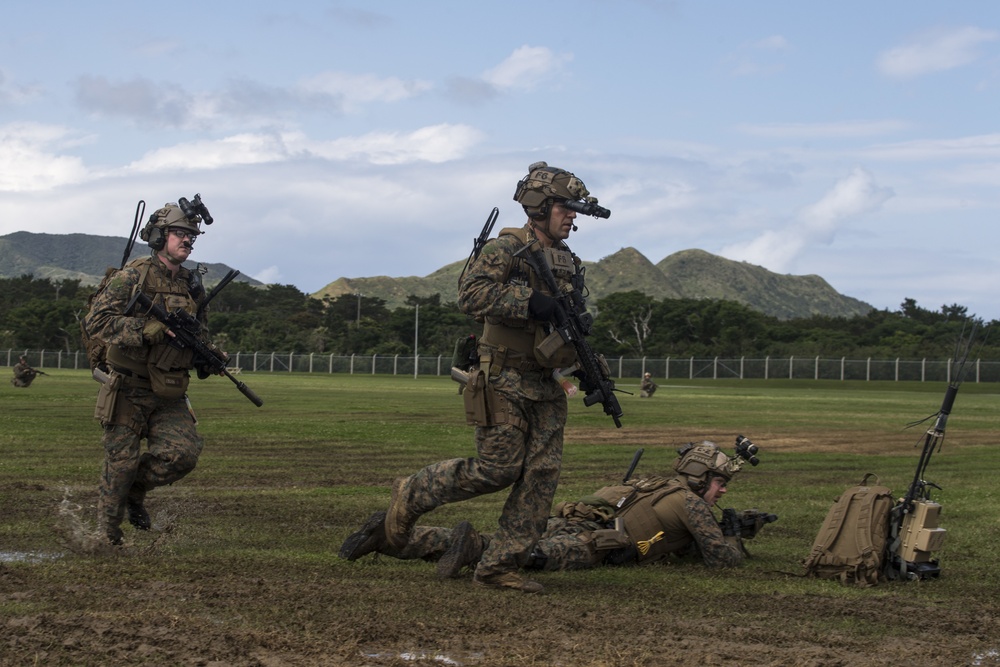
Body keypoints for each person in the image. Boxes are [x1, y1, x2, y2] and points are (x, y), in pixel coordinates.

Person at [371, 162, 609, 594]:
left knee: (541, 476)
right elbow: (469, 294)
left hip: (545, 382)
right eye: (565, 207)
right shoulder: (507, 248)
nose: (571, 216)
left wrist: (592, 370)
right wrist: (530, 300)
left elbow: (567, 322)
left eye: (575, 209)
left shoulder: (567, 262)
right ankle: (412, 491)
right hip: (502, 376)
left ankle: (499, 564)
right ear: (540, 206)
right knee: (497, 469)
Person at [339, 439, 774, 578]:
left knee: (504, 543)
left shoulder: (652, 483)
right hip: (597, 542)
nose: (721, 492)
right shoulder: (693, 506)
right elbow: (722, 562)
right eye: (720, 483)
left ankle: (392, 539)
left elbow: (673, 541)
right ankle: (470, 549)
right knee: (528, 558)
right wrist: (733, 534)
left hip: (568, 520)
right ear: (702, 478)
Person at [84, 197, 226, 546]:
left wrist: (208, 357)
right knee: (120, 464)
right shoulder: (132, 276)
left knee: (182, 455)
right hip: (126, 387)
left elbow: (197, 335)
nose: (187, 240)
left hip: (168, 389)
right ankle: (106, 536)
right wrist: (144, 330)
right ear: (159, 237)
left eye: (192, 235)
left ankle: (136, 489)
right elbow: (96, 322)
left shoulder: (192, 284)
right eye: (180, 233)